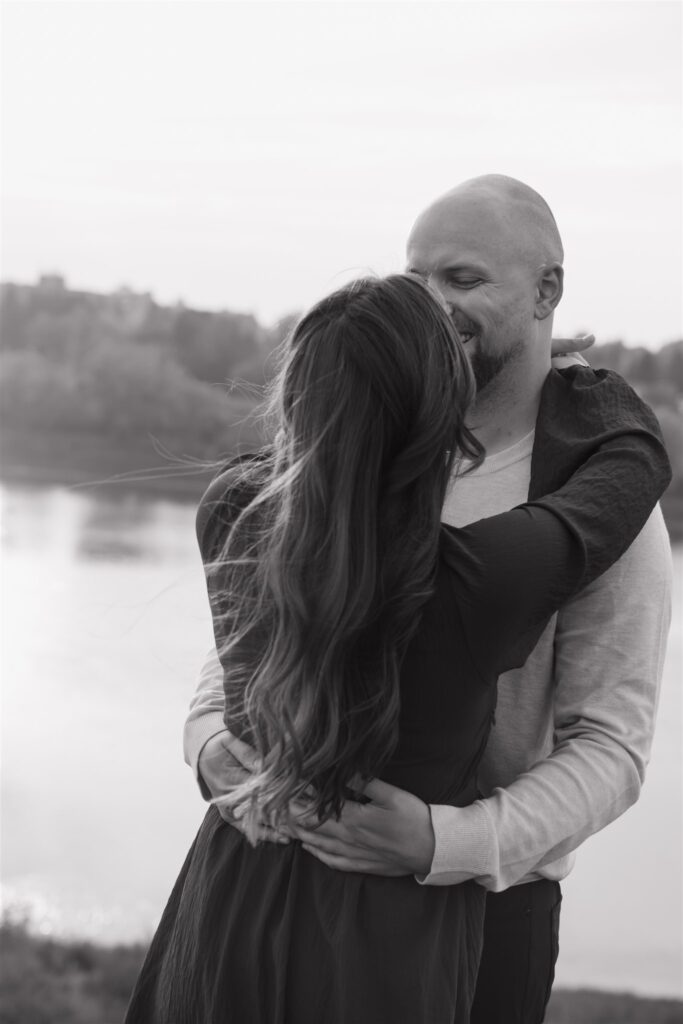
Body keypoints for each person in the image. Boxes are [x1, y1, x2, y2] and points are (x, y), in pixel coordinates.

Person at [183, 176, 674, 1022]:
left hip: (485, 909)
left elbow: (612, 749)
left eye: (463, 278)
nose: (432, 302)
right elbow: (254, 639)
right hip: (275, 866)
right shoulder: (353, 446)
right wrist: (209, 748)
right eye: (418, 279)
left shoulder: (592, 497)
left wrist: (444, 844)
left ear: (546, 292)